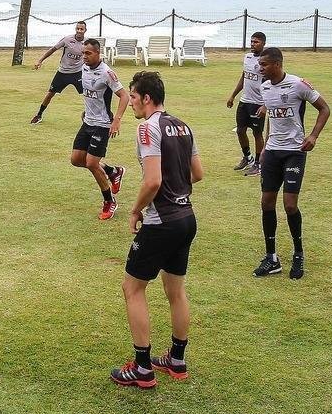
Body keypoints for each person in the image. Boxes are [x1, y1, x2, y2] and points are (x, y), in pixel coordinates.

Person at [111, 71, 203, 389]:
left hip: (161, 221)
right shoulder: (184, 126)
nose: (131, 102)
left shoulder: (147, 128)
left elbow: (152, 181)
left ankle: (142, 368)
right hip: (186, 218)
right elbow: (198, 174)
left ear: (146, 98)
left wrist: (136, 210)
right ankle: (176, 360)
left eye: (133, 97)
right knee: (175, 291)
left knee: (132, 288)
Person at [253, 47, 330, 280]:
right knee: (267, 202)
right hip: (273, 152)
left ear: (277, 64)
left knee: (289, 205)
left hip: (295, 152)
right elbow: (272, 121)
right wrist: (265, 147)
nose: (260, 68)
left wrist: (313, 136)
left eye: (264, 65)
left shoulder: (298, 85)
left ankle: (298, 254)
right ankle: (271, 258)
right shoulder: (264, 88)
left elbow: (325, 109)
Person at [70, 38, 128, 220]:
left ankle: (109, 201)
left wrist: (116, 120)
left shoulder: (107, 73)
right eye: (83, 53)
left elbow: (124, 96)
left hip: (102, 125)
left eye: (88, 53)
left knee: (92, 163)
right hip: (87, 122)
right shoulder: (84, 67)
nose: (84, 56)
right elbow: (90, 94)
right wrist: (86, 110)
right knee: (76, 159)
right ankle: (113, 171)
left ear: (98, 53)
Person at [30, 20, 87, 124]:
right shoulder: (67, 39)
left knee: (88, 94)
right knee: (50, 94)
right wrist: (40, 60)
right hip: (63, 73)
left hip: (78, 73)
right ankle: (39, 115)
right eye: (77, 28)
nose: (79, 31)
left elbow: (92, 56)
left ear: (85, 30)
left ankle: (88, 115)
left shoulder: (87, 43)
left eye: (81, 29)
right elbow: (53, 49)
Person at [226, 31, 267, 175]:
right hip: (244, 101)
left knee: (257, 134)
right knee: (240, 130)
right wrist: (233, 96)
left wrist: (265, 105)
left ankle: (258, 163)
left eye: (256, 42)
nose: (253, 44)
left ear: (263, 43)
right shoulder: (248, 57)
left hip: (258, 103)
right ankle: (247, 157)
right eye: (251, 41)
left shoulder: (265, 60)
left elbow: (271, 83)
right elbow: (244, 77)